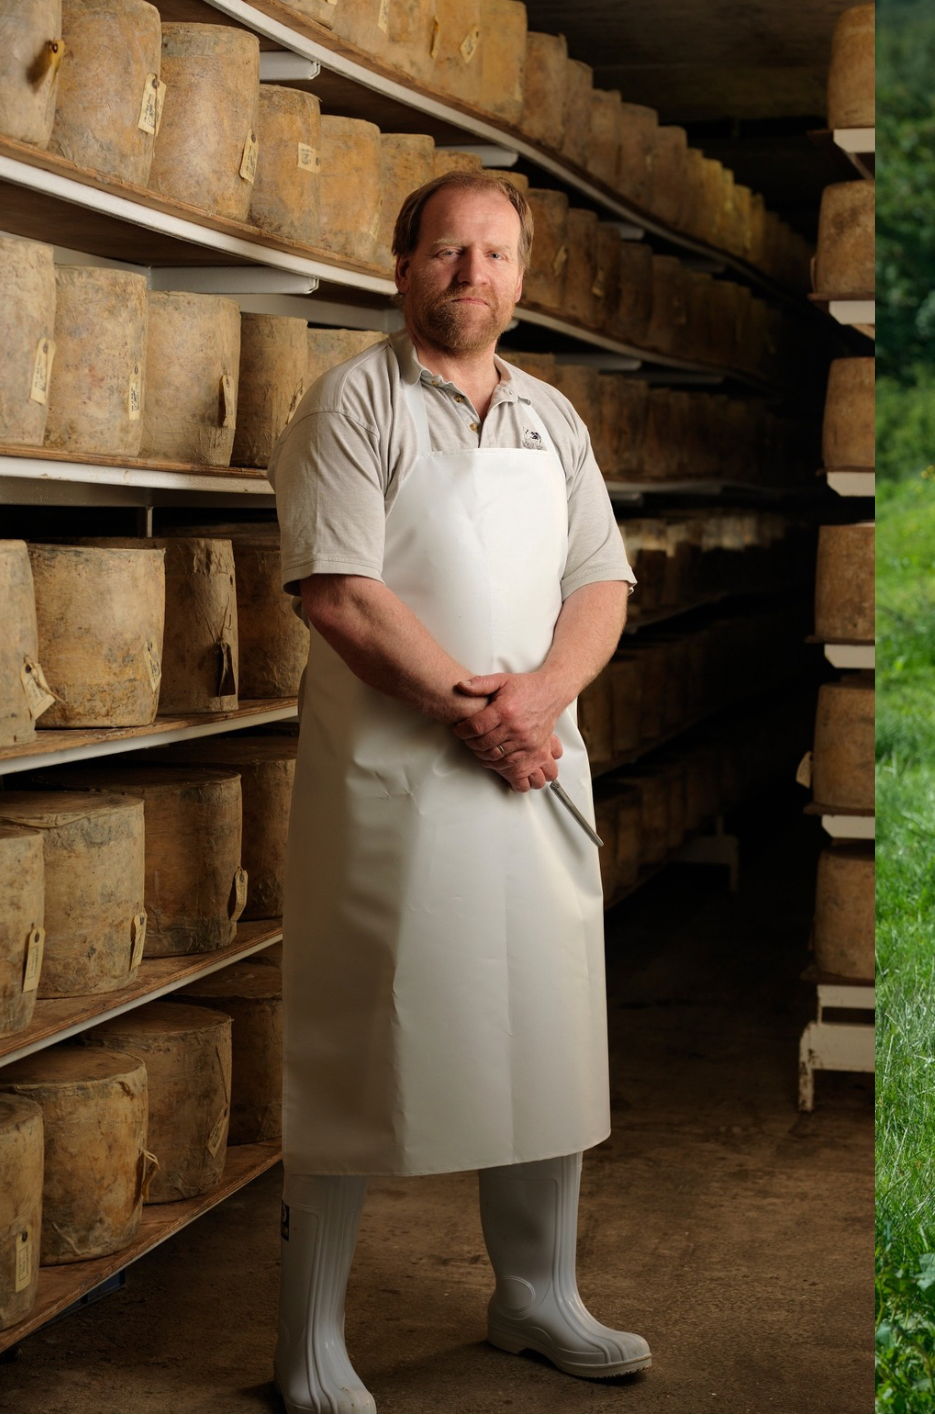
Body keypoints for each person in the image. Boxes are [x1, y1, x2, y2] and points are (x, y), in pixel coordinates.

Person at [267, 170, 645, 1412]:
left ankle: (535, 1291)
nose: (471, 273)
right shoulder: (351, 404)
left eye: (493, 253)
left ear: (521, 277)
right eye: (447, 250)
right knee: (357, 1038)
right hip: (397, 787)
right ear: (401, 266)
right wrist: (485, 713)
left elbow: (601, 585)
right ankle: (311, 1338)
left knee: (543, 1030)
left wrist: (537, 702)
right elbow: (341, 592)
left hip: (532, 771)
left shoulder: (551, 416)